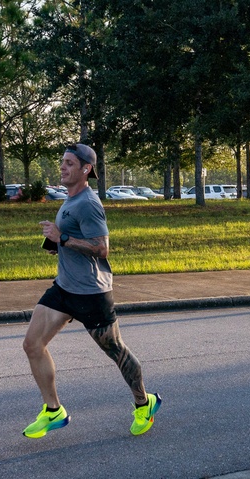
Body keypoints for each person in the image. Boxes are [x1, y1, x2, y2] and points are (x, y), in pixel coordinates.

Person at [22, 142, 160, 438]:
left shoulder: (88, 203)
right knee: (32, 345)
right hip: (64, 289)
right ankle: (53, 411)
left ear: (86, 170)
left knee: (116, 351)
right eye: (62, 162)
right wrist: (57, 244)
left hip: (91, 293)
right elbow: (72, 239)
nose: (62, 167)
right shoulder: (70, 198)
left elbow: (102, 248)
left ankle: (144, 402)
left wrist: (63, 238)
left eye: (70, 163)